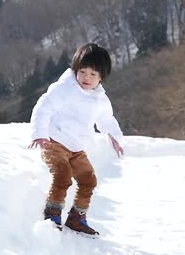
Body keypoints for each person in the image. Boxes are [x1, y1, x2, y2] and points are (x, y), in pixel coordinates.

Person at [28, 43, 124, 238]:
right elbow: (43, 108)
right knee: (63, 175)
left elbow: (106, 119)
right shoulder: (65, 89)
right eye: (83, 72)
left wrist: (115, 137)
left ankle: (77, 218)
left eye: (93, 74)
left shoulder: (100, 99)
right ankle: (52, 214)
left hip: (77, 147)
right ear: (75, 70)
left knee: (89, 180)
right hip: (54, 141)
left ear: (101, 78)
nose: (86, 78)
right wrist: (39, 133)